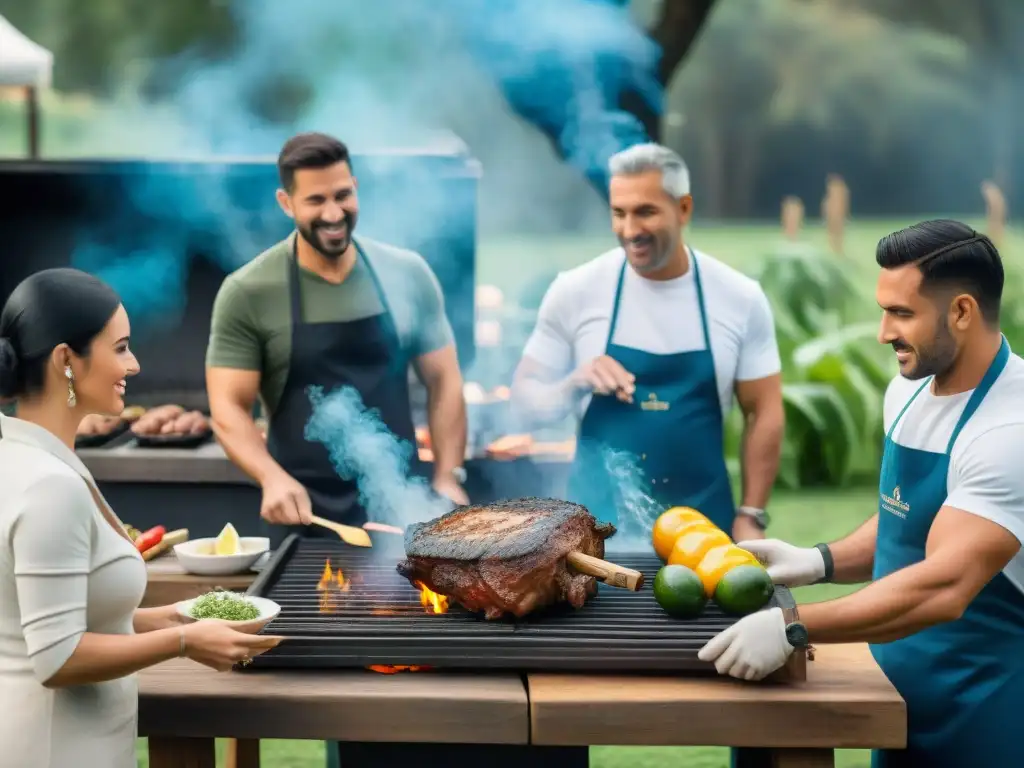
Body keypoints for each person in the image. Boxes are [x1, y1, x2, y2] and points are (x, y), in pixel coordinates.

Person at [698, 220, 1024, 767]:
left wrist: (792, 625)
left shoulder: (1009, 430)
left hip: (986, 718)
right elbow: (909, 522)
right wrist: (817, 560)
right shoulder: (908, 391)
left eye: (901, 313)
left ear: (962, 311)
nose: (882, 332)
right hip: (896, 704)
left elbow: (943, 587)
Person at [0, 268, 281, 768]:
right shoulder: (49, 486)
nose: (134, 364)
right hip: (55, 749)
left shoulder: (26, 457)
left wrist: (175, 615)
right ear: (67, 360)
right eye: (121, 347)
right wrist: (182, 640)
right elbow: (56, 656)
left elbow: (61, 613)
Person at [511, 143, 784, 542]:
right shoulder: (575, 291)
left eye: (646, 212)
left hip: (705, 534)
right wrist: (574, 382)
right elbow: (523, 401)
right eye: (619, 213)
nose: (629, 230)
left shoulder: (739, 298)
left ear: (684, 208)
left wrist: (752, 514)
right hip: (593, 539)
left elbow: (764, 412)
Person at [206, 131, 469, 539]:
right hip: (303, 515)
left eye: (342, 195)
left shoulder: (406, 273)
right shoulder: (248, 291)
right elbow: (227, 407)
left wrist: (448, 474)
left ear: (356, 189)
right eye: (316, 200)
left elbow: (445, 380)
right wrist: (270, 477)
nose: (333, 213)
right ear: (286, 203)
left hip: (404, 509)